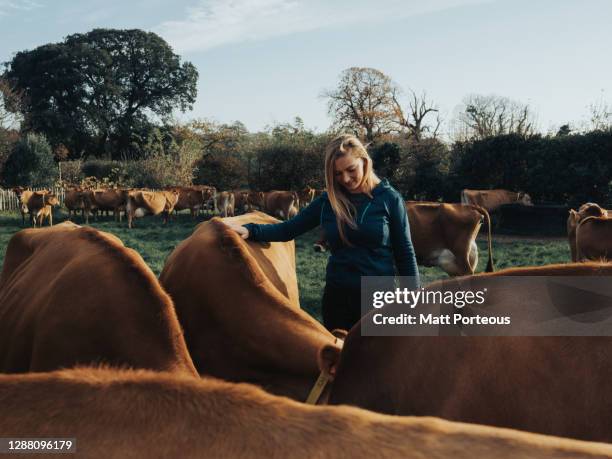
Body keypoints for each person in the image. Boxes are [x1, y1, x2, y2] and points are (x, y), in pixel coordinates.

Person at [225, 134, 420, 332]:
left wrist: (414, 304)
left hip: (378, 296)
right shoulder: (329, 201)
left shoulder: (390, 199)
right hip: (338, 296)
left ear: (364, 160)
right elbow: (288, 229)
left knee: (377, 361)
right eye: (337, 174)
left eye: (351, 170)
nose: (345, 179)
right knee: (339, 360)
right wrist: (250, 229)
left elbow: (405, 253)